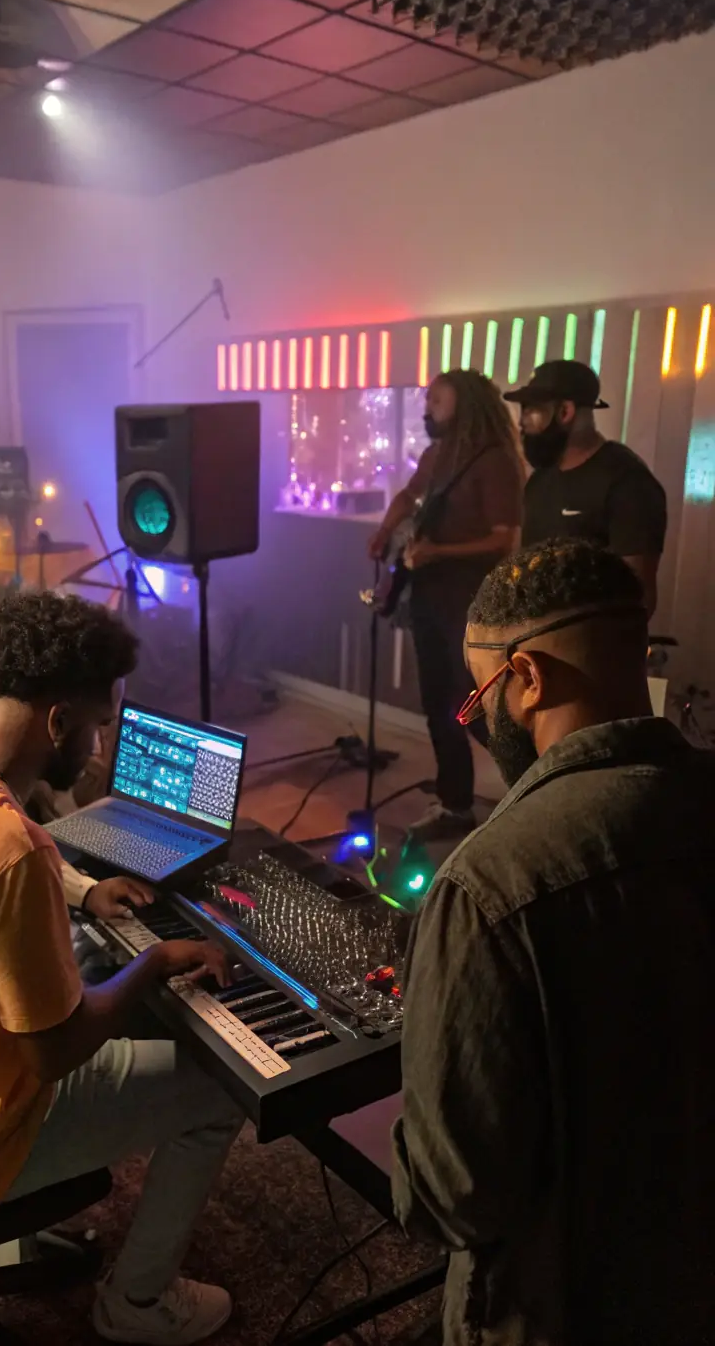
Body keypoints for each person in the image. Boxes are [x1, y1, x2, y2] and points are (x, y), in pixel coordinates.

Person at [0, 590, 243, 1345]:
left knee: (76, 956)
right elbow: (56, 1049)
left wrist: (87, 892)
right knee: (218, 1089)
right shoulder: (10, 853)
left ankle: (14, 1244)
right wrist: (153, 963)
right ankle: (139, 1304)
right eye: (98, 724)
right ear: (59, 721)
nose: (100, 745)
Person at [391, 538, 715, 1346]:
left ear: (527, 677)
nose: (477, 721)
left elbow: (452, 1195)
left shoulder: (489, 883)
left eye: (478, 699)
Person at [368, 370, 523, 840]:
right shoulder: (438, 455)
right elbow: (408, 495)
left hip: (472, 604)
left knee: (473, 706)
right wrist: (384, 528)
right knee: (437, 703)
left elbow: (503, 542)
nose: (427, 407)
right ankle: (455, 804)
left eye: (437, 400)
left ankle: (529, 789)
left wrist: (438, 552)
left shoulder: (495, 462)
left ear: (466, 403)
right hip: (429, 598)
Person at [506, 360, 667, 615]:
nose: (522, 423)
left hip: (590, 646)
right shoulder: (540, 480)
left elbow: (638, 595)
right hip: (534, 639)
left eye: (531, 411)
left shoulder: (626, 481)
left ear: (565, 412)